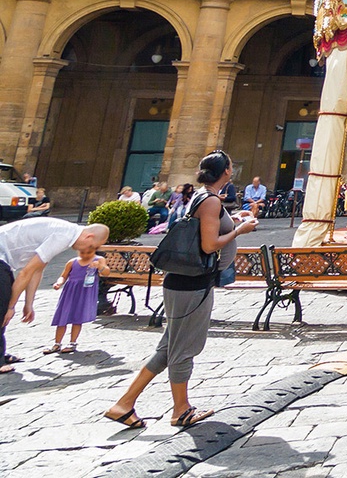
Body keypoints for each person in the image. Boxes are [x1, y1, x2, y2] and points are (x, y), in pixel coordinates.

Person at [106, 150, 258, 430]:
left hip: (183, 282)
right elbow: (209, 245)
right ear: (225, 171)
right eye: (231, 165)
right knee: (183, 349)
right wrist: (239, 231)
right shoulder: (210, 200)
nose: (233, 170)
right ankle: (181, 410)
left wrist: (234, 220)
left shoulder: (204, 196)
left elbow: (205, 231)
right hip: (192, 285)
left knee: (168, 348)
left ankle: (124, 404)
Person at [0, 218, 109, 375]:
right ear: (89, 237)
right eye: (91, 246)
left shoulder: (66, 233)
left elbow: (37, 269)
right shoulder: (62, 236)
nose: (89, 251)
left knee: (3, 304)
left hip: (4, 258)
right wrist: (10, 306)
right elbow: (25, 273)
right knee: (2, 307)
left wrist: (28, 304)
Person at [46, 239, 105, 354]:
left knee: (77, 317)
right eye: (82, 253)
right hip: (70, 291)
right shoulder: (72, 262)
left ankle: (73, 342)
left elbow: (106, 272)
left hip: (85, 292)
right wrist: (59, 283)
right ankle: (57, 343)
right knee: (62, 316)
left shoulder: (99, 260)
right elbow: (63, 275)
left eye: (89, 253)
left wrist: (100, 267)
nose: (85, 255)